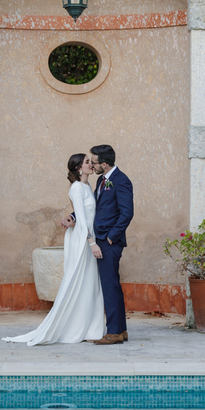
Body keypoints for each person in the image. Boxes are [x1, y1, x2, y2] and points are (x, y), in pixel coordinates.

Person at [3, 154, 106, 345]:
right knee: (78, 281)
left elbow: (84, 215)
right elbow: (83, 221)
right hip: (83, 241)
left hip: (87, 237)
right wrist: (92, 243)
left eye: (90, 161)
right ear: (78, 168)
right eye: (86, 162)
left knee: (89, 284)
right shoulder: (76, 188)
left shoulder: (87, 186)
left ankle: (90, 327)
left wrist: (71, 219)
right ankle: (74, 328)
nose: (91, 164)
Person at [84, 145, 133, 345]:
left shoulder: (121, 181)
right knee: (112, 286)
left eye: (94, 162)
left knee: (109, 286)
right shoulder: (101, 180)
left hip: (109, 243)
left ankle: (113, 332)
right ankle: (120, 330)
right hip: (103, 240)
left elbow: (126, 213)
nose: (92, 165)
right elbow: (95, 208)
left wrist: (111, 237)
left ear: (104, 164)